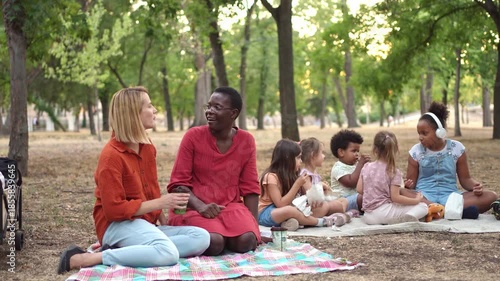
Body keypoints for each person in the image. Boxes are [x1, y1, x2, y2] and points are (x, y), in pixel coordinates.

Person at [57, 87, 210, 274]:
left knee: (202, 238)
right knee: (168, 253)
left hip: (144, 223)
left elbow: (152, 189)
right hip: (116, 226)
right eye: (149, 106)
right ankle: (89, 258)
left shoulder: (147, 147)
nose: (154, 111)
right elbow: (113, 211)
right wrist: (162, 202)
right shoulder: (111, 157)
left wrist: (163, 220)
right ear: (133, 114)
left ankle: (133, 252)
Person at [167, 86, 260, 256]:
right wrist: (200, 206)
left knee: (247, 241)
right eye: (208, 106)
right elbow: (178, 184)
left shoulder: (246, 141)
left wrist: (255, 227)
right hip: (193, 207)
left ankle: (231, 235)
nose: (209, 111)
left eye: (217, 107)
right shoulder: (193, 136)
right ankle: (220, 237)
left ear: (233, 113)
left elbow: (251, 188)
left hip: (230, 206)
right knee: (214, 242)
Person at [405, 101, 498, 217]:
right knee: (401, 194)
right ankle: (450, 211)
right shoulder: (415, 151)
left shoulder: (457, 149)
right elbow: (410, 186)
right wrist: (408, 186)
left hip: (450, 197)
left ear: (440, 132)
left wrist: (475, 186)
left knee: (491, 196)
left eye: (424, 133)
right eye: (419, 133)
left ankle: (437, 210)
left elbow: (465, 179)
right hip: (423, 197)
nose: (420, 137)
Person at [258, 139, 349, 230]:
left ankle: (291, 222)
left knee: (297, 210)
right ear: (287, 158)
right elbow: (281, 204)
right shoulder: (270, 177)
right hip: (266, 212)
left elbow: (294, 199)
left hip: (285, 209)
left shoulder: (290, 175)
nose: (301, 161)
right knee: (290, 211)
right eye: (298, 158)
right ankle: (321, 222)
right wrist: (297, 185)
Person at [357, 131, 428, 225]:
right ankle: (409, 217)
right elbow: (396, 197)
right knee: (423, 206)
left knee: (395, 207)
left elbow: (359, 189)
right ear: (396, 150)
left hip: (368, 216)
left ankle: (403, 218)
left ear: (375, 149)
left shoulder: (366, 167)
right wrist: (415, 200)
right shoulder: (393, 172)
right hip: (384, 214)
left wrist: (374, 193)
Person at [330, 129, 370, 212]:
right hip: (343, 201)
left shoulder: (356, 165)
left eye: (358, 151)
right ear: (341, 152)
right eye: (353, 151)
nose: (357, 154)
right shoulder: (338, 168)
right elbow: (351, 183)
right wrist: (360, 165)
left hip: (356, 198)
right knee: (363, 198)